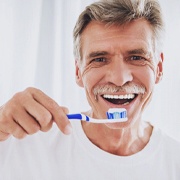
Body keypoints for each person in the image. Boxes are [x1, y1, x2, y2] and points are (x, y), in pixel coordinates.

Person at [0, 0, 180, 179]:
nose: (119, 79)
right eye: (100, 59)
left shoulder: (174, 163)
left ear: (159, 68)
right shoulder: (23, 143)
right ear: (78, 72)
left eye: (136, 57)